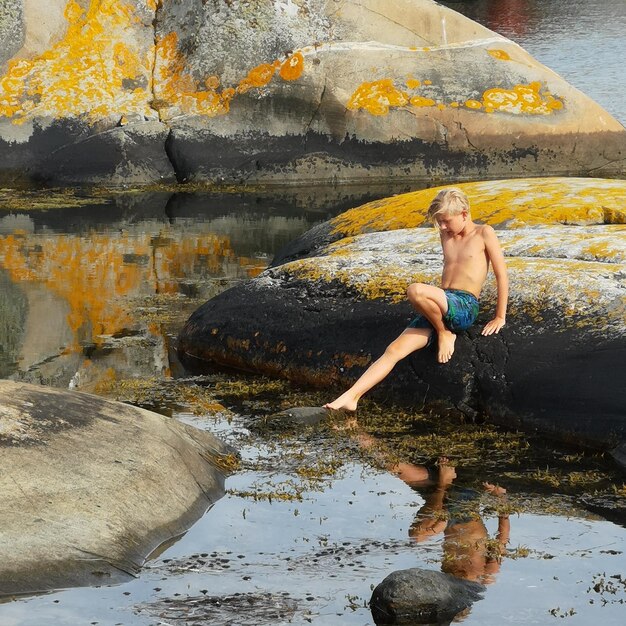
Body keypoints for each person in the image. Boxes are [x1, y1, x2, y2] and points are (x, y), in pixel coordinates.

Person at [324, 187, 508, 412]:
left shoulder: (484, 233)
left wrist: (500, 316)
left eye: (446, 221)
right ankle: (351, 397)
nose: (442, 226)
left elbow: (501, 275)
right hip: (440, 307)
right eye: (439, 221)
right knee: (394, 350)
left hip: (463, 306)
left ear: (464, 213)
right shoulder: (445, 234)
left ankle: (444, 332)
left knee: (416, 291)